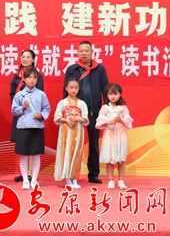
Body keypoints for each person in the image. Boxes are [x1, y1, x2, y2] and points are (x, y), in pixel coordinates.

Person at [63, 40, 109, 184]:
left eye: (86, 51)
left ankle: (93, 174)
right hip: (75, 112)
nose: (84, 53)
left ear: (92, 52)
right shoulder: (72, 69)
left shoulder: (100, 69)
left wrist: (106, 109)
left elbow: (106, 89)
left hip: (93, 111)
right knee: (74, 142)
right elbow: (66, 90)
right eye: (81, 51)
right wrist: (66, 111)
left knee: (93, 144)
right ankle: (71, 173)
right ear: (77, 52)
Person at [11, 67, 50, 190]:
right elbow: (14, 111)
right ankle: (25, 180)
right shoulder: (19, 95)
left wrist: (41, 115)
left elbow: (47, 109)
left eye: (34, 77)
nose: (32, 80)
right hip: (23, 127)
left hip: (37, 127)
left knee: (36, 155)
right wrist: (22, 107)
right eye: (29, 77)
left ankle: (34, 180)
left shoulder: (41, 94)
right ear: (24, 79)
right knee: (23, 155)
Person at [9, 49, 44, 183]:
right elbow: (12, 95)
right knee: (23, 145)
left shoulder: (37, 76)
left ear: (33, 60)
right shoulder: (16, 76)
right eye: (23, 57)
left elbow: (39, 94)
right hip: (20, 113)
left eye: (28, 57)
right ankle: (24, 174)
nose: (25, 59)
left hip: (33, 115)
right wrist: (19, 106)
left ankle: (30, 174)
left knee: (33, 145)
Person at [96, 83, 133, 190]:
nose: (113, 96)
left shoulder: (123, 108)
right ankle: (110, 180)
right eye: (110, 94)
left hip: (120, 136)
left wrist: (120, 121)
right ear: (107, 95)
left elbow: (128, 123)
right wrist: (109, 121)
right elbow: (99, 122)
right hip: (109, 136)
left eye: (115, 94)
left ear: (120, 94)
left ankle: (121, 181)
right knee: (109, 159)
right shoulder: (105, 108)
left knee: (121, 159)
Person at [54, 78, 89, 189]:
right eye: (71, 87)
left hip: (78, 132)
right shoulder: (62, 103)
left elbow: (86, 119)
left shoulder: (82, 103)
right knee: (66, 154)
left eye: (76, 88)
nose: (73, 90)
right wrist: (66, 120)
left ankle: (75, 179)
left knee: (77, 155)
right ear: (66, 88)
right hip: (65, 132)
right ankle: (68, 180)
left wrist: (76, 118)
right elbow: (57, 117)